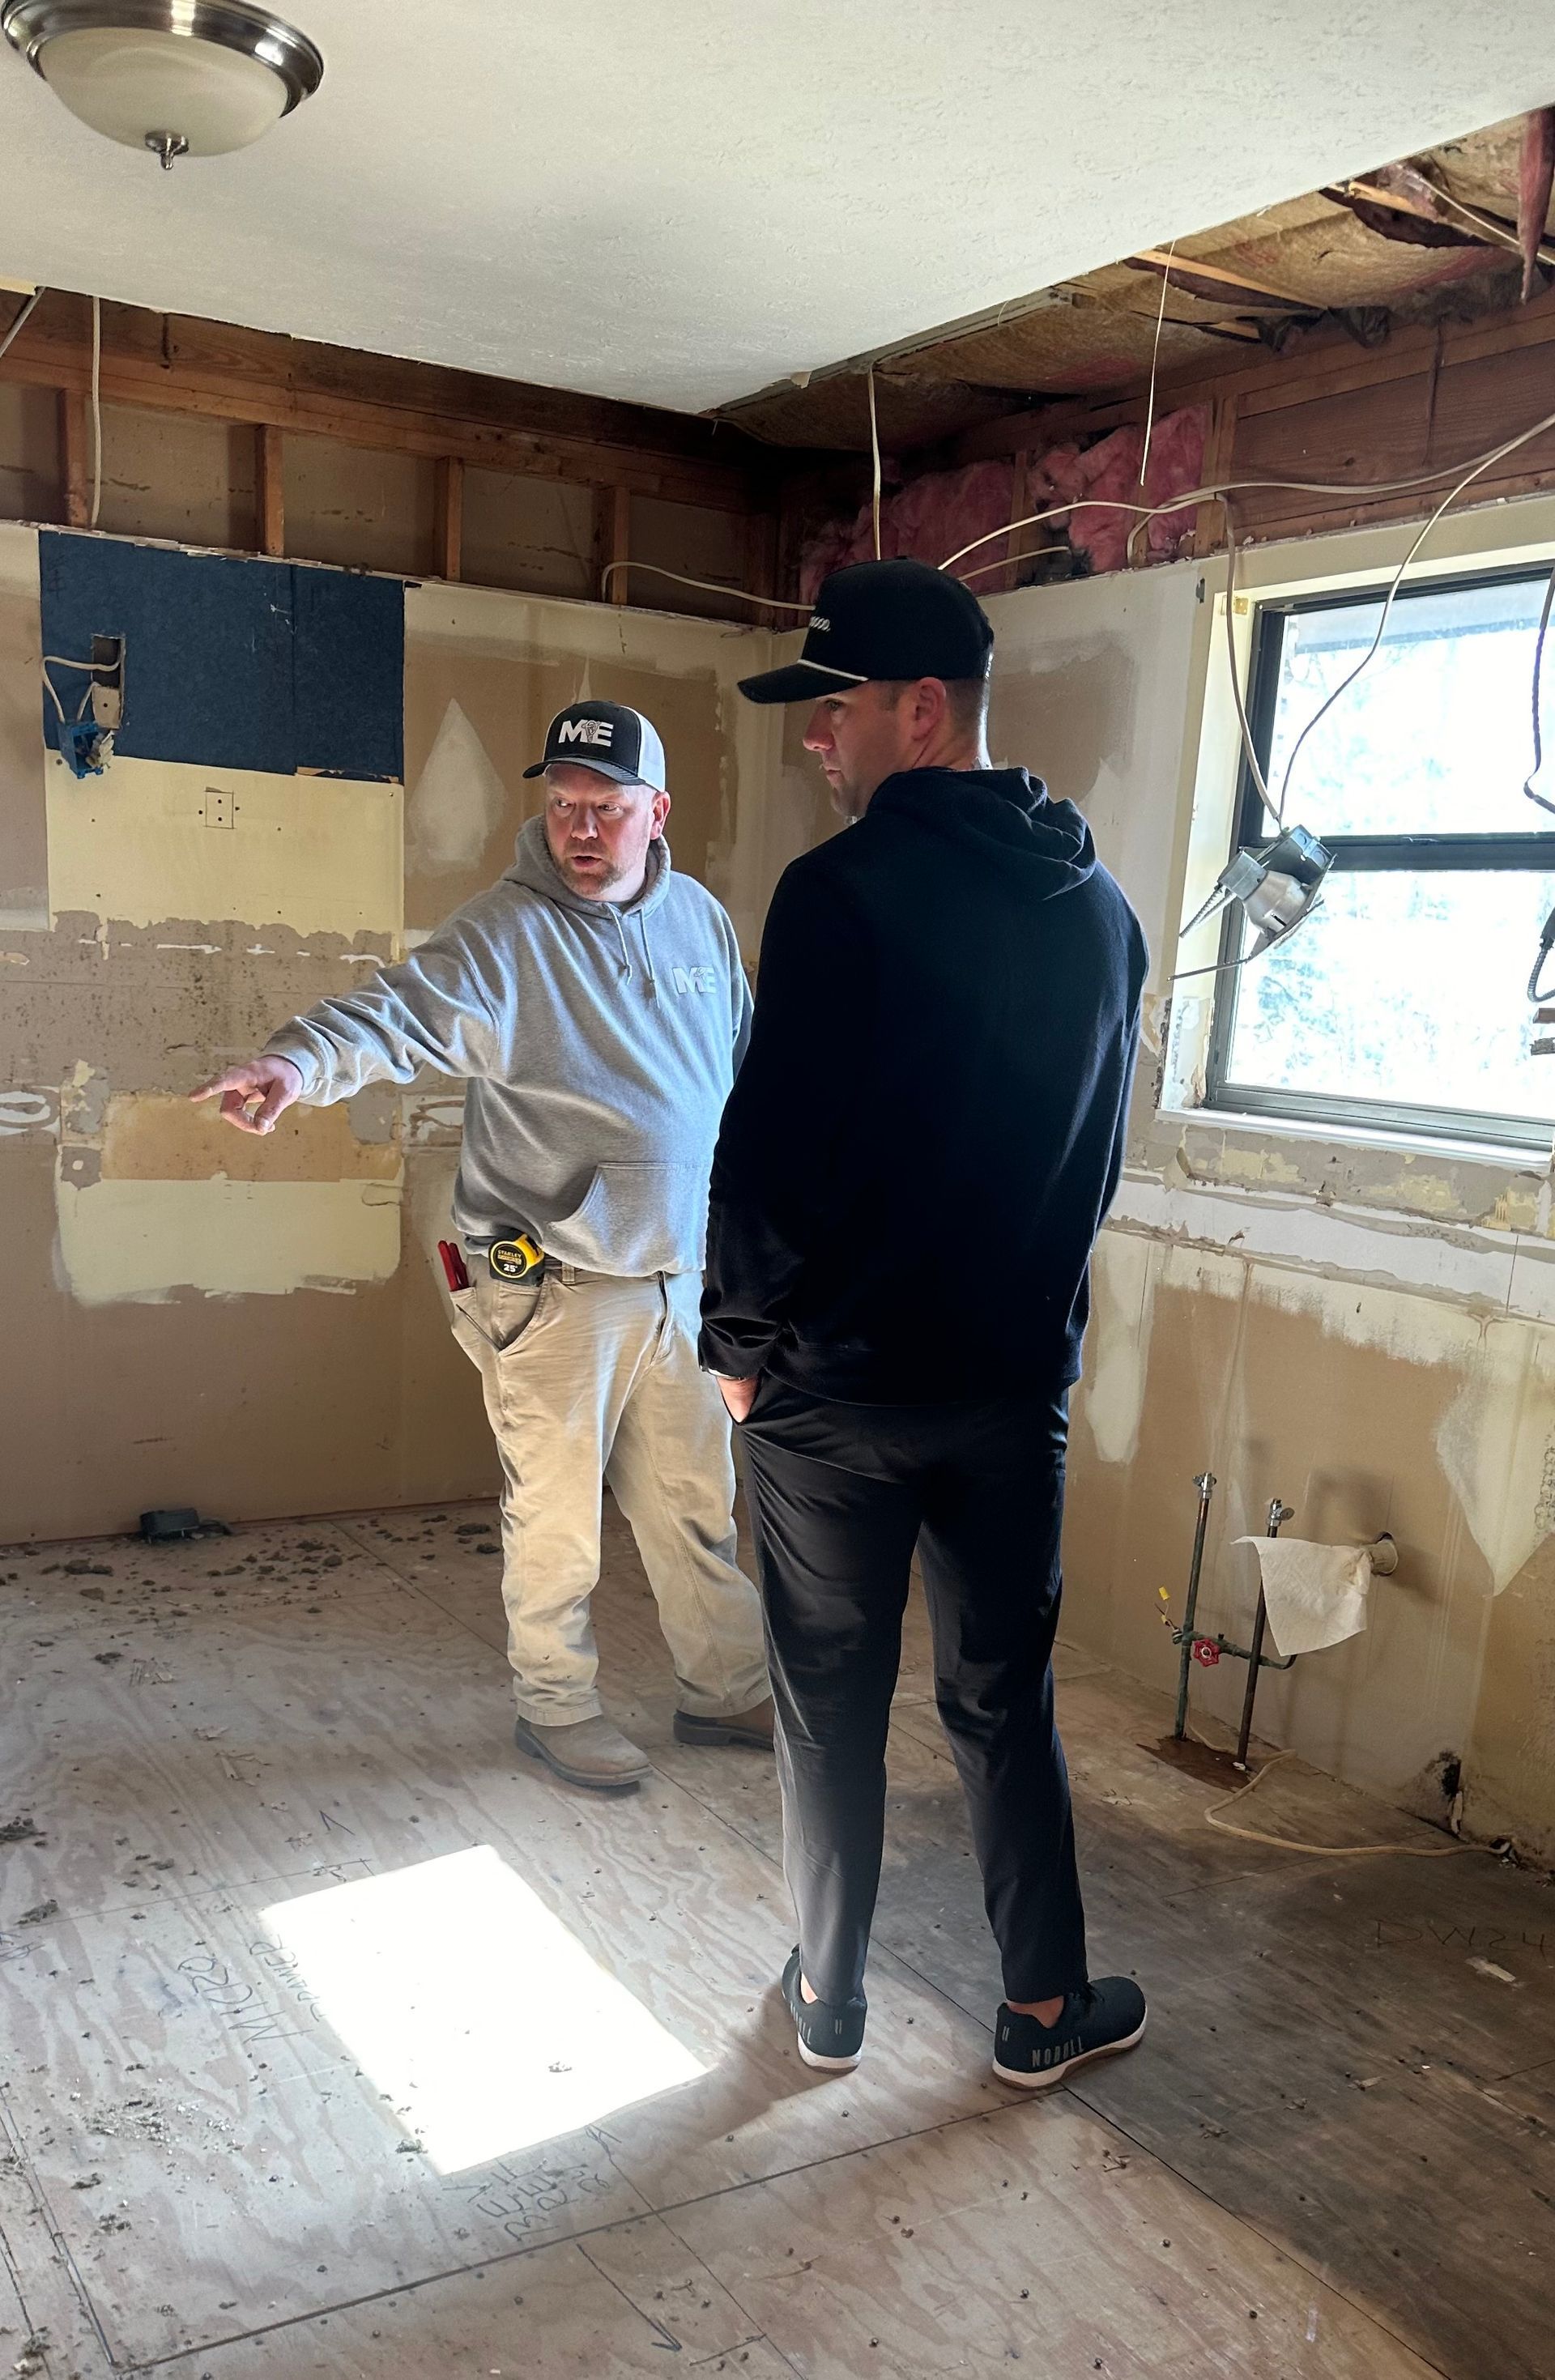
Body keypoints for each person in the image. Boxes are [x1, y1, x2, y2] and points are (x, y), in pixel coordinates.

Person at [700, 559, 1148, 2084]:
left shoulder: (840, 894)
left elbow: (769, 1152)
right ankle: (1041, 2012)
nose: (815, 742)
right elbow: (1099, 1157)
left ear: (921, 709)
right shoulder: (1102, 909)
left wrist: (737, 1350)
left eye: (832, 713)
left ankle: (829, 2001)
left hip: (830, 1396)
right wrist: (1045, 1331)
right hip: (1009, 1390)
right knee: (1003, 1699)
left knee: (830, 1702)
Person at [194, 700, 773, 1795]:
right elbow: (391, 1015)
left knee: (698, 1502)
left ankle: (723, 1689)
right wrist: (294, 1066)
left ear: (658, 811)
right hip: (553, 1281)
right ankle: (556, 1709)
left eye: (606, 808)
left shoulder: (698, 921)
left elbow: (745, 1069)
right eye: (564, 807)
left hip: (681, 1276)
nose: (583, 829)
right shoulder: (507, 933)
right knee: (558, 1515)